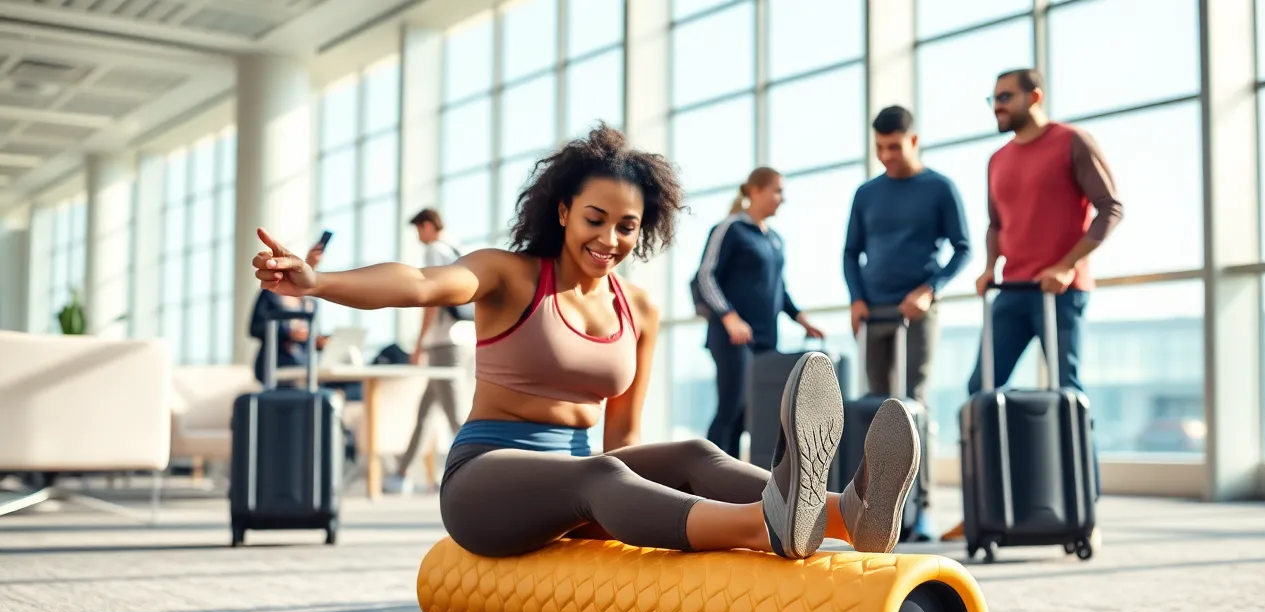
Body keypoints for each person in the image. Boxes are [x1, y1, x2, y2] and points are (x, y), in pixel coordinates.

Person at [248, 124, 923, 560]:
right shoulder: (509, 275)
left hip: (582, 487)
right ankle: (766, 525)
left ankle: (848, 513)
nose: (610, 239)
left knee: (690, 452)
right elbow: (420, 283)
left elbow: (621, 438)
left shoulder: (639, 308)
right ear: (564, 210)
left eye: (627, 227)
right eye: (595, 219)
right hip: (486, 485)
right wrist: (318, 282)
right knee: (599, 476)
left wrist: (644, 505)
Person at [945, 68, 1122, 541]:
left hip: (1060, 292)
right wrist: (990, 266)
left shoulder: (1071, 142)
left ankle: (1084, 509)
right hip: (1014, 290)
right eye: (993, 98)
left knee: (1067, 393)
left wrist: (1065, 266)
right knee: (980, 389)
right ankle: (985, 506)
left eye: (1005, 96)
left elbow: (1110, 208)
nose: (997, 106)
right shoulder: (997, 159)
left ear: (1035, 96)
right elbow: (995, 224)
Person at [843, 105, 971, 542]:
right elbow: (851, 252)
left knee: (913, 403)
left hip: (916, 312)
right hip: (873, 312)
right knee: (876, 408)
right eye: (879, 147)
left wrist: (930, 289)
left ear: (913, 141)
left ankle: (922, 508)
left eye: (894, 147)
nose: (886, 156)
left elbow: (963, 248)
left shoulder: (939, 188)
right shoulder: (866, 193)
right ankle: (876, 507)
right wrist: (856, 297)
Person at [692, 167, 825, 460]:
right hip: (733, 338)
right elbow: (705, 276)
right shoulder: (730, 228)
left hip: (767, 340)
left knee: (755, 414)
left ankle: (740, 477)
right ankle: (706, 475)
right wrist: (729, 316)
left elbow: (778, 288)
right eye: (777, 191)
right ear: (755, 191)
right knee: (732, 408)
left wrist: (801, 318)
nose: (782, 199)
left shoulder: (775, 239)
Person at [383, 207, 474, 495]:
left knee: (455, 414)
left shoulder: (435, 250)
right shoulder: (458, 249)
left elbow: (430, 298)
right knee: (426, 411)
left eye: (418, 230)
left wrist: (419, 342)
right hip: (462, 338)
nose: (418, 238)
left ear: (427, 226)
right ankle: (402, 472)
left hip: (444, 342)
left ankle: (479, 469)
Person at [248, 236, 329, 386]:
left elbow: (309, 336)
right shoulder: (270, 293)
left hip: (303, 365)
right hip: (274, 364)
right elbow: (255, 328)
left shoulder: (310, 302)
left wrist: (317, 341)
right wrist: (288, 333)